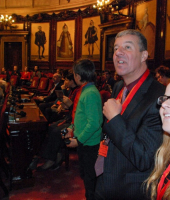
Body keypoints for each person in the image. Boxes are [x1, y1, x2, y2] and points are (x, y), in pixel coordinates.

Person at [94, 29, 165, 200]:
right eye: (116, 48)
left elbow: (144, 158)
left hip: (129, 189)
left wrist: (115, 119)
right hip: (106, 176)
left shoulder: (159, 96)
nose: (118, 52)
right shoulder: (119, 87)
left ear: (143, 55)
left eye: (127, 47)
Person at [63, 59, 102, 200]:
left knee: (90, 178)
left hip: (89, 144)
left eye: (74, 74)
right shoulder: (86, 90)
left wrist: (78, 140)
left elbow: (94, 123)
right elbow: (81, 116)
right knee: (86, 175)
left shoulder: (90, 93)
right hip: (85, 142)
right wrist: (71, 129)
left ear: (78, 76)